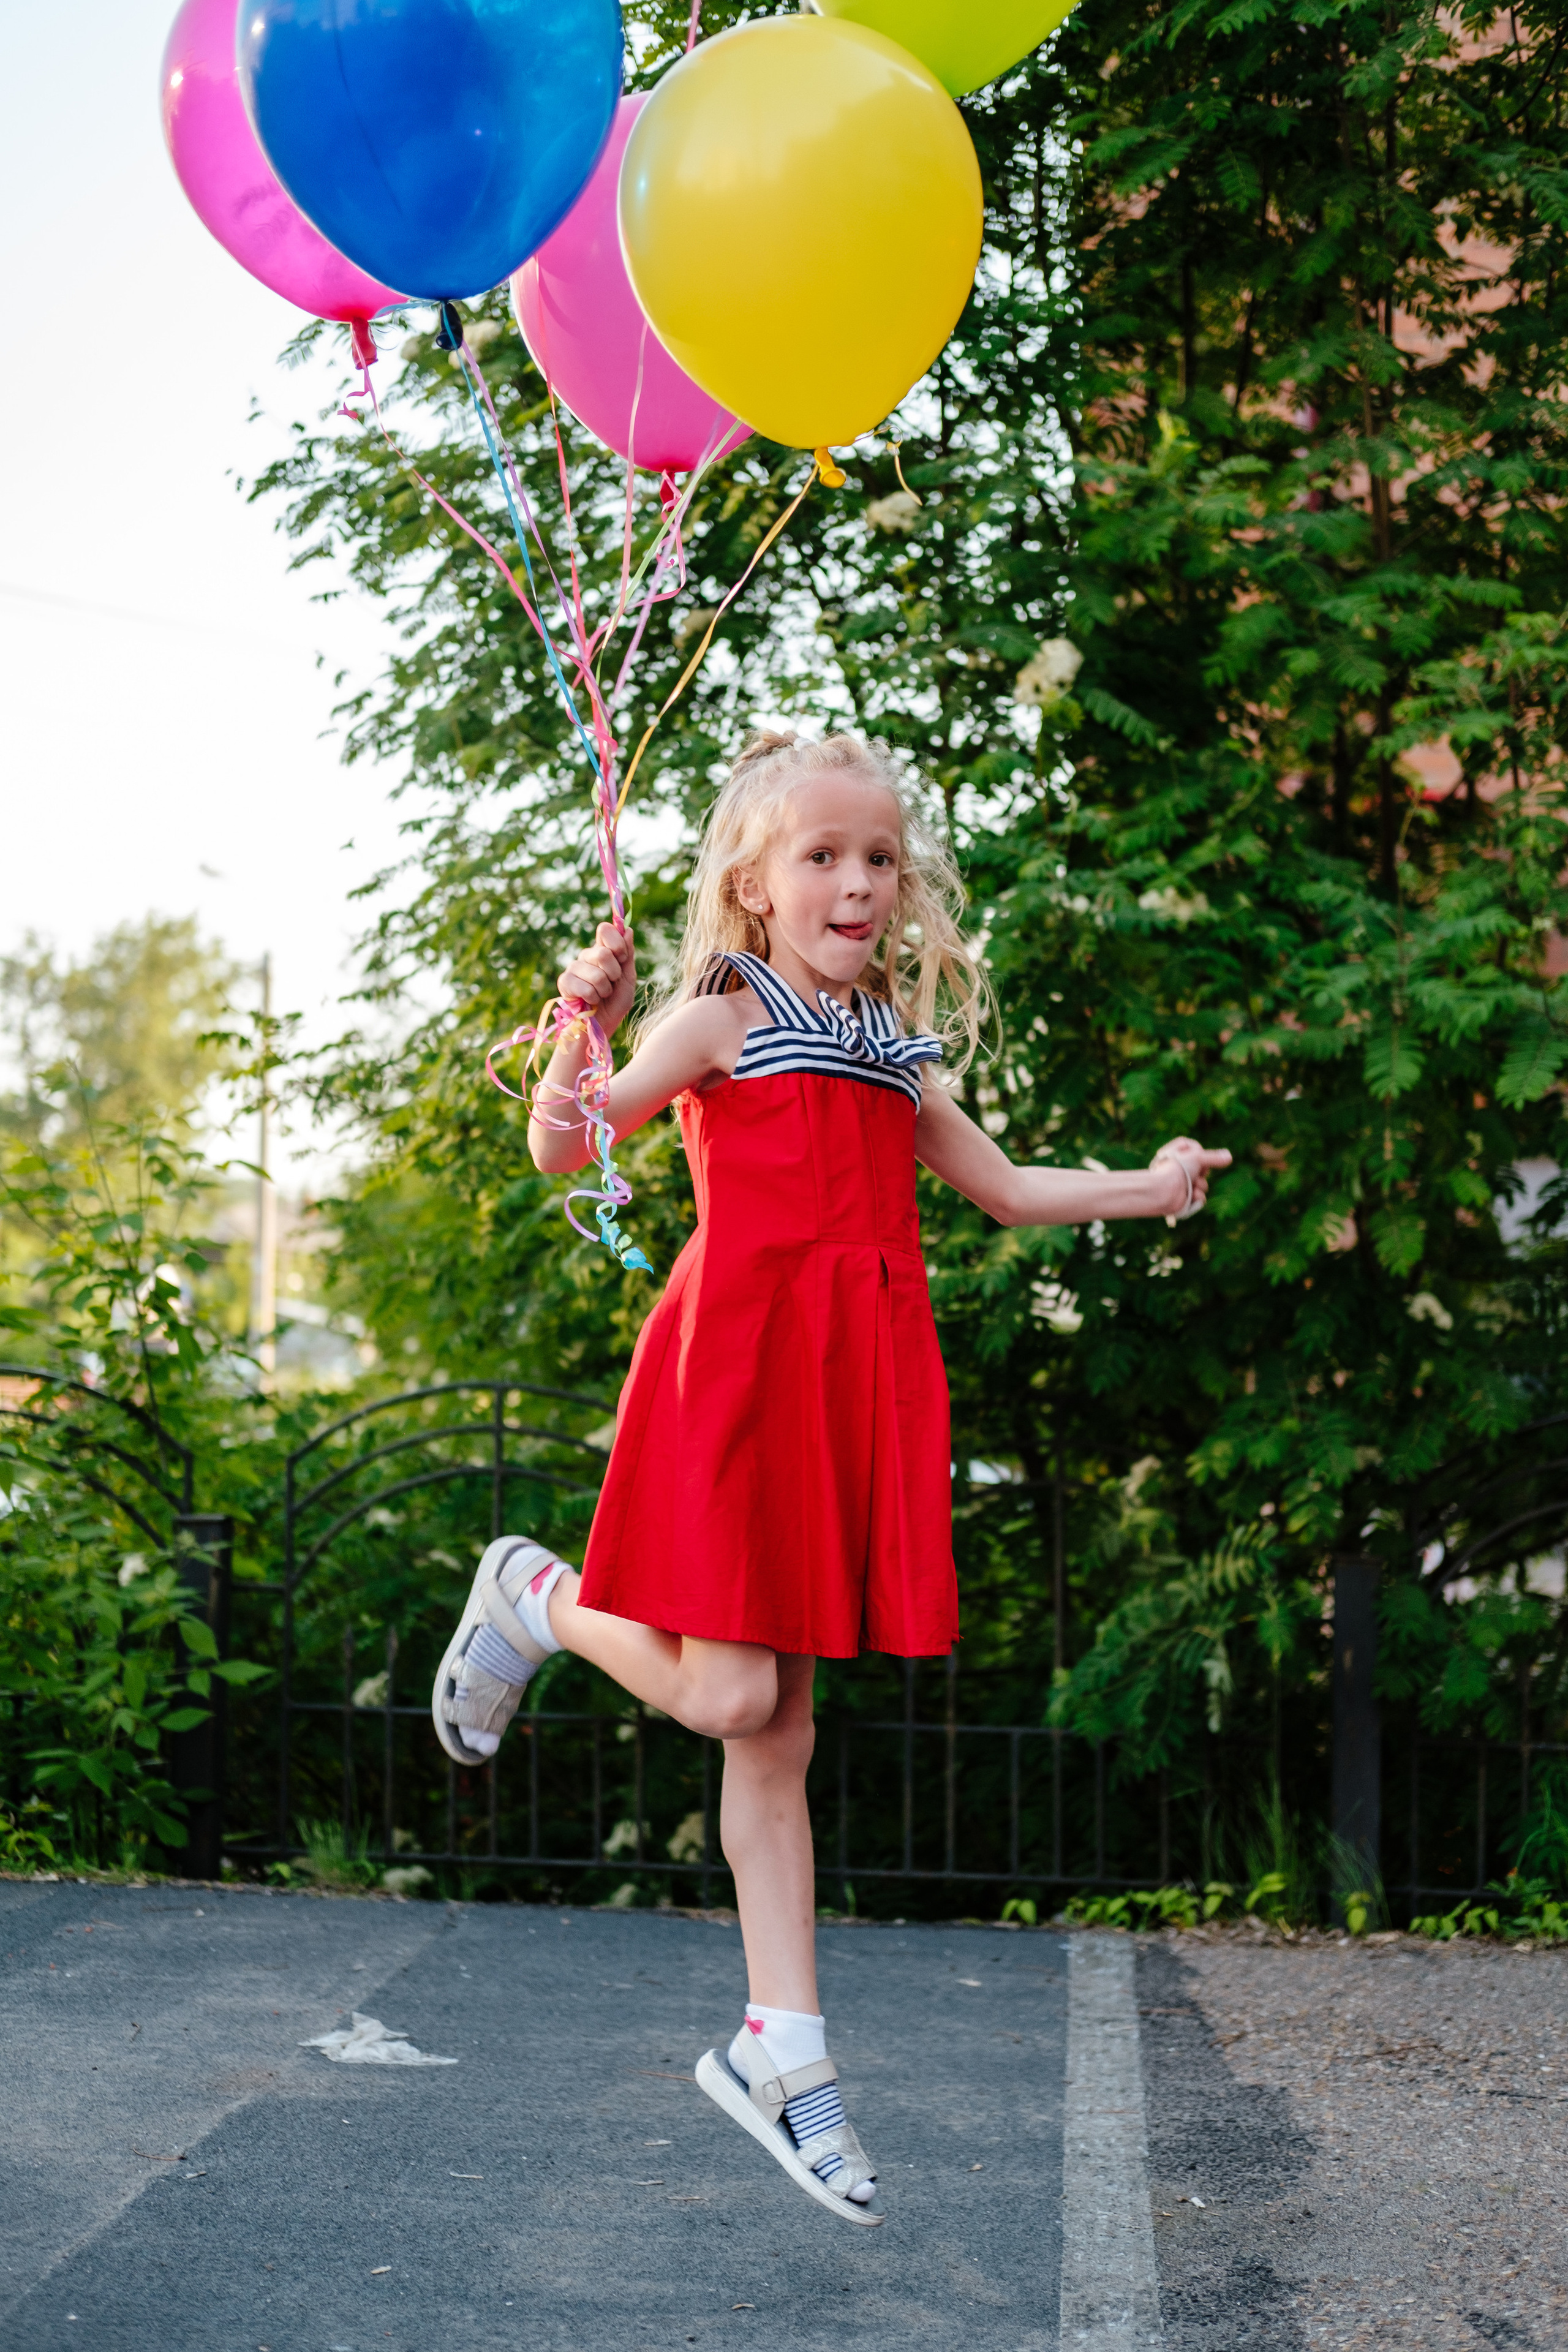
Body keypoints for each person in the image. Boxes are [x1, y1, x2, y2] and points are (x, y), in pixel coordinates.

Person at [432, 728, 1229, 2226]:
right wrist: (577, 1033)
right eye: (822, 856)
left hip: (852, 1384)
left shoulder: (891, 1047)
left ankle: (781, 2054)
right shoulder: (721, 1015)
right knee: (737, 1700)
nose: (857, 881)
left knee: (778, 1735)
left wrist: (1148, 1182)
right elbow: (565, 1149)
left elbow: (1000, 1190)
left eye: (878, 858)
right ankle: (536, 1598)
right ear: (754, 883)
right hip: (737, 1367)